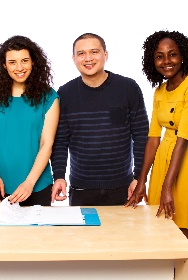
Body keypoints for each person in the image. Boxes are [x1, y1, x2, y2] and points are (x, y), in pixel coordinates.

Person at [124, 30, 188, 280]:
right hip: (164, 159)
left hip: (187, 161)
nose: (166, 61)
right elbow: (153, 137)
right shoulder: (159, 92)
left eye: (172, 55)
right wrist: (141, 180)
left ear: (183, 56)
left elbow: (184, 137)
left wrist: (169, 186)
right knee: (162, 228)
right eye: (159, 56)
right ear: (152, 61)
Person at [50, 33, 149, 206]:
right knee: (83, 234)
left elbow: (141, 135)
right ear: (74, 58)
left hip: (124, 187)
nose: (88, 58)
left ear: (106, 55)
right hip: (81, 189)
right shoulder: (65, 93)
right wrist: (59, 176)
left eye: (94, 52)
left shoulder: (128, 88)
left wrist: (139, 177)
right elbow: (60, 140)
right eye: (81, 53)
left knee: (122, 234)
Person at [0, 35, 60, 207]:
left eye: (24, 60)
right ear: (4, 65)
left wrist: (29, 182)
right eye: (12, 62)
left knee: (36, 235)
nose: (19, 67)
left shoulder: (49, 97)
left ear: (33, 62)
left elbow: (47, 143)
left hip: (37, 186)